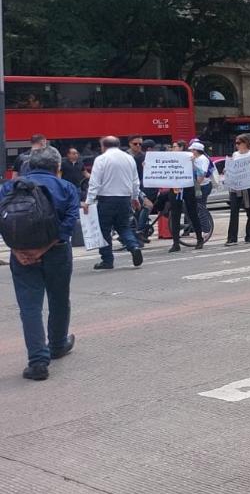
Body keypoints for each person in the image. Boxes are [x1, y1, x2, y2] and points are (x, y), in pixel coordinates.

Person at [1, 147, 80, 381]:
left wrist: (17, 249)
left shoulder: (8, 188)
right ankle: (57, 345)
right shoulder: (67, 188)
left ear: (29, 165)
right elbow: (69, 223)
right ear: (57, 167)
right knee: (58, 299)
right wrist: (43, 248)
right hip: (56, 252)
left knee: (29, 307)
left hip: (20, 255)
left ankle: (37, 362)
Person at [84, 136, 143, 271]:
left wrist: (89, 200)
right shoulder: (129, 158)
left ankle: (107, 260)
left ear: (103, 146)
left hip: (106, 199)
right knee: (123, 226)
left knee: (104, 230)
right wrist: (135, 198)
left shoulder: (101, 159)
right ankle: (133, 246)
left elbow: (94, 182)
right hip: (124, 199)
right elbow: (135, 181)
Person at [166, 140, 205, 252]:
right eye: (172, 147)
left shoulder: (191, 158)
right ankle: (176, 243)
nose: (173, 149)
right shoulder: (169, 158)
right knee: (175, 215)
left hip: (188, 188)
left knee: (192, 213)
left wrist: (193, 163)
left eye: (175, 146)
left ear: (181, 147)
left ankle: (199, 239)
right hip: (175, 188)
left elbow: (201, 173)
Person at [226, 134, 250, 246]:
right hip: (236, 187)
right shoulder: (235, 155)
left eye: (239, 143)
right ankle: (232, 238)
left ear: (245, 143)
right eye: (236, 143)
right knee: (234, 212)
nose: (237, 145)